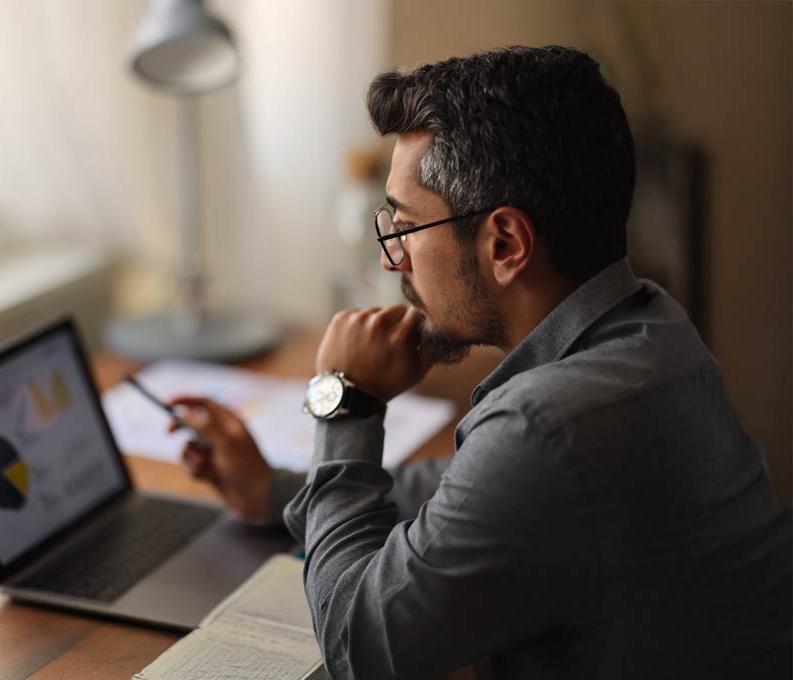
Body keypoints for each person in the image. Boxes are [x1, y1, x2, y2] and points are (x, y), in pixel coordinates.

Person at [166, 46, 791, 679]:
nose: (391, 260)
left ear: (505, 243)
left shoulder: (547, 424)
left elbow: (360, 647)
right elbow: (474, 488)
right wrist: (277, 489)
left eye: (403, 227)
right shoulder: (655, 330)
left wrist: (345, 400)